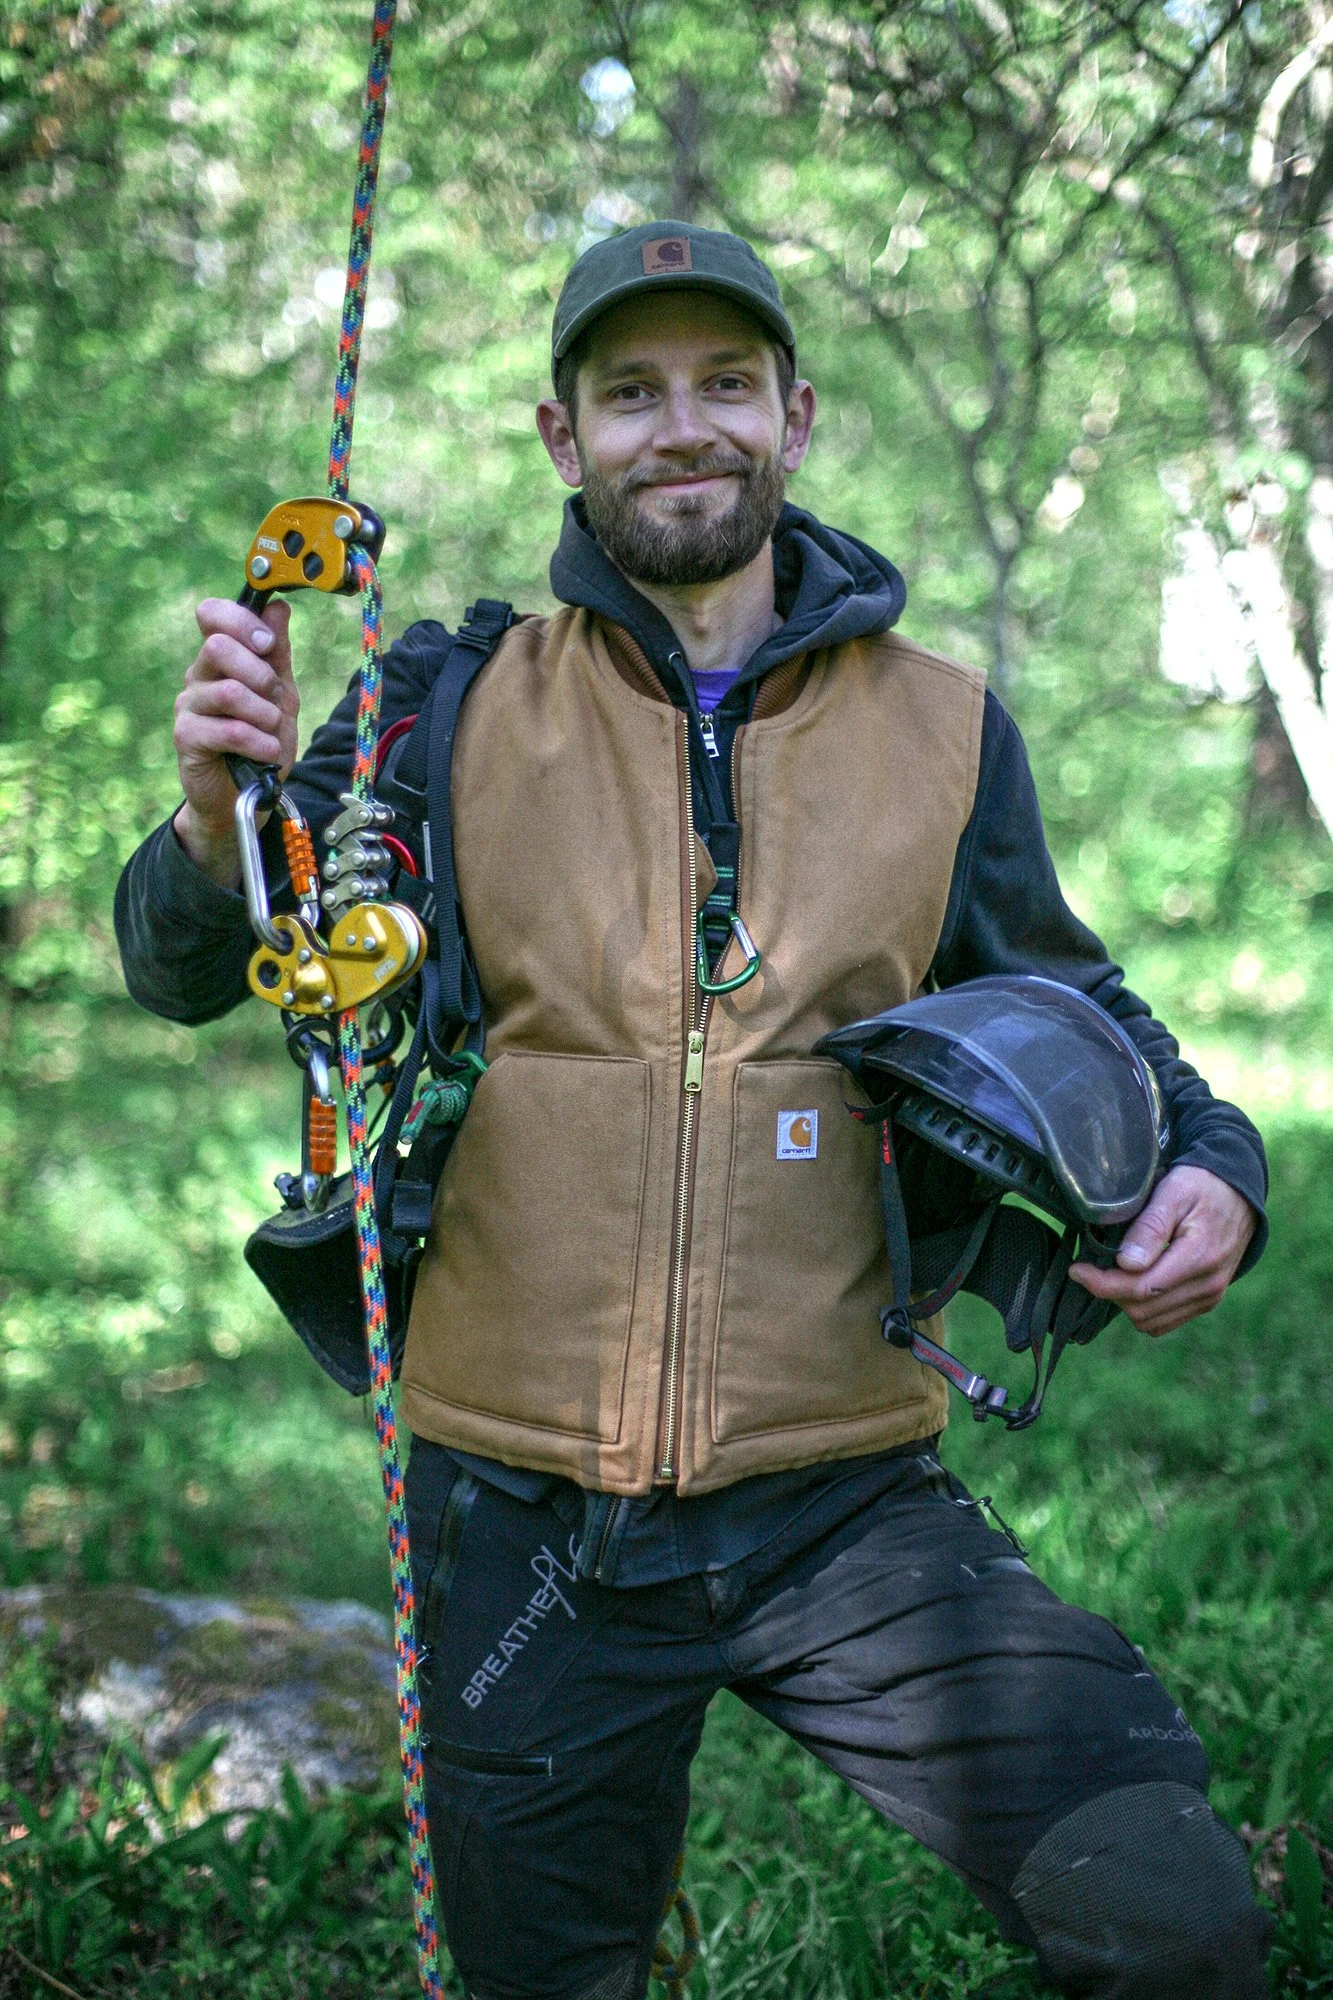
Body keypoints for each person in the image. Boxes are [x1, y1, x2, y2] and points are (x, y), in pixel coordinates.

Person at [115, 222, 1273, 1999]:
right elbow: (193, 964)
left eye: (725, 385)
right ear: (562, 439)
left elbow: (1084, 1003)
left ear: (794, 417)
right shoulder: (440, 705)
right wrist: (213, 824)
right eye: (631, 392)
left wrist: (1212, 1166)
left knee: (1176, 1913)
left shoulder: (947, 727)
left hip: (842, 1503)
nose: (685, 429)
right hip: (518, 1511)